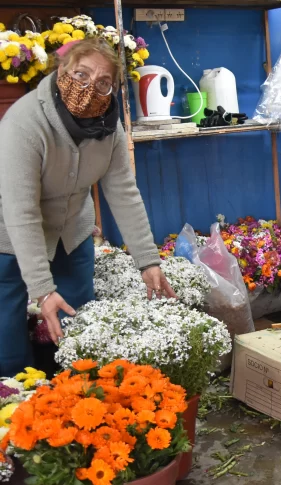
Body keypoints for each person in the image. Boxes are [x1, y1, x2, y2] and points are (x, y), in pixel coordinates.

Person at [0, 38, 176, 376]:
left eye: (102, 82)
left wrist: (148, 261)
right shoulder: (24, 123)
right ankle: (15, 406)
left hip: (72, 234)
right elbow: (20, 211)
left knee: (76, 333)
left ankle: (73, 404)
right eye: (80, 75)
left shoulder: (108, 128)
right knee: (7, 337)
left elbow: (124, 192)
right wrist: (41, 288)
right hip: (9, 236)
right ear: (62, 70)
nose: (88, 87)